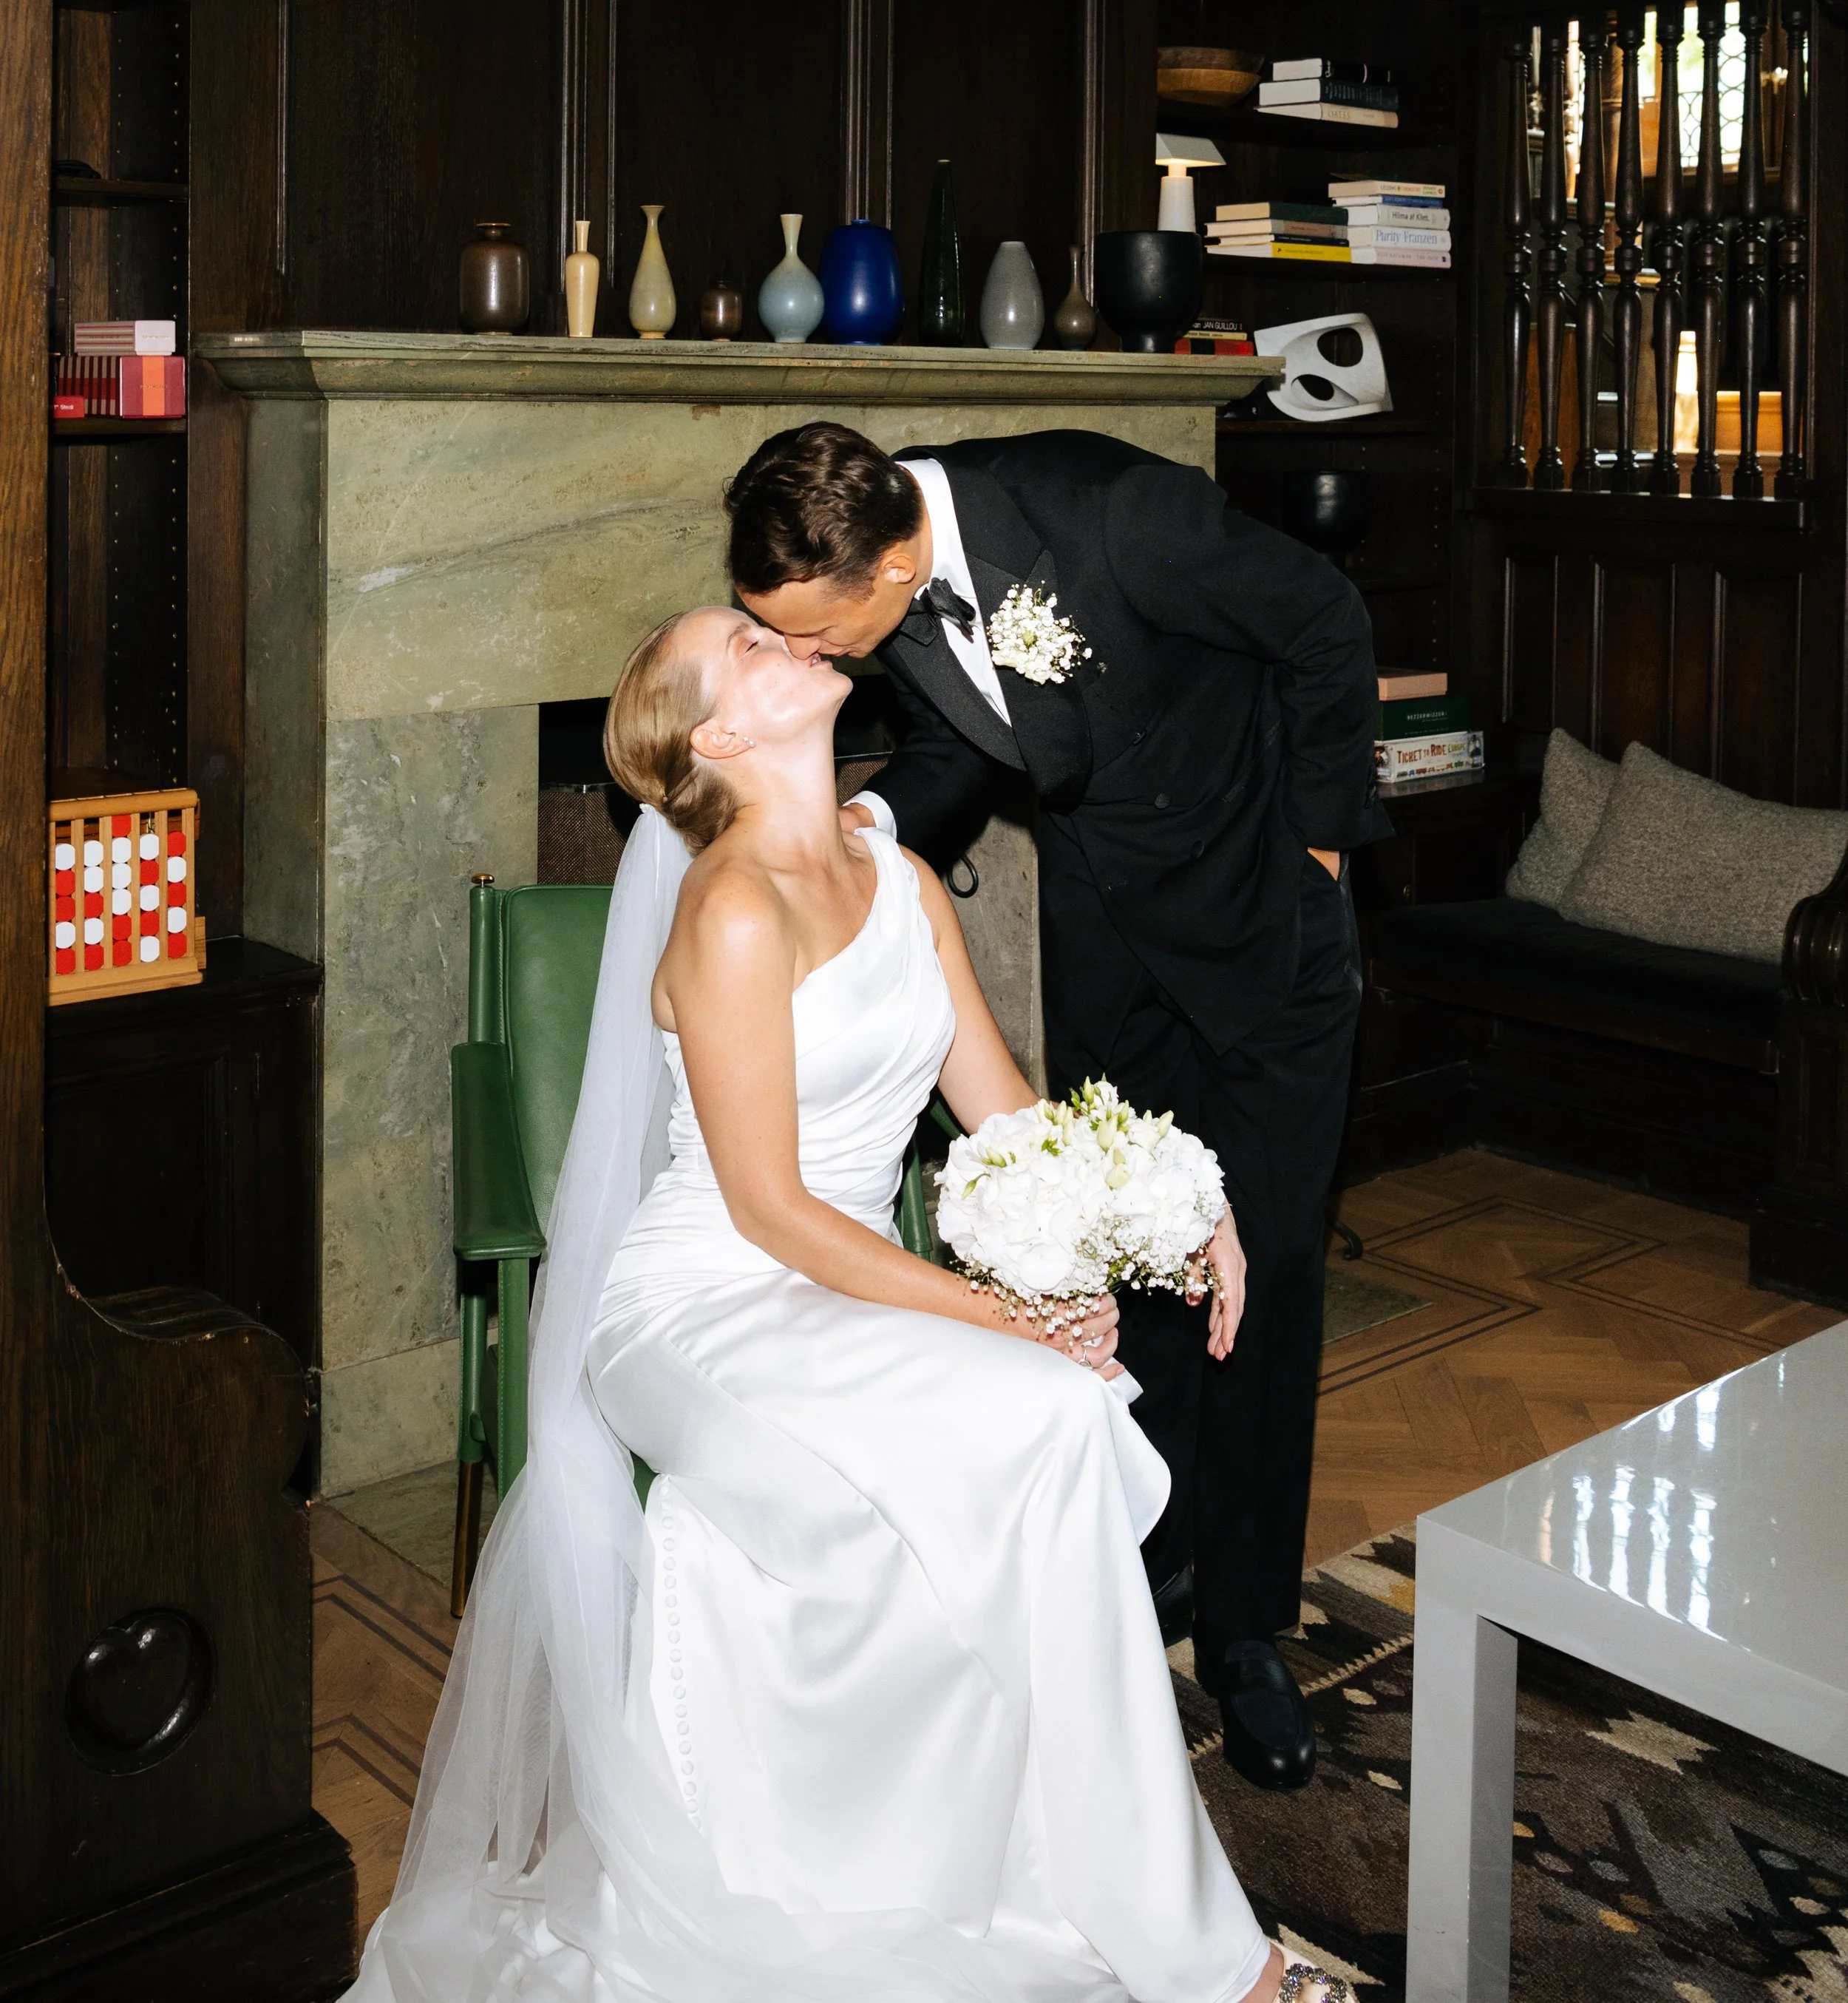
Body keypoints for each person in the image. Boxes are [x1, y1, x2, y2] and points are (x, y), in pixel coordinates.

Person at [350, 603, 1351, 2003]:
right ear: (721, 733)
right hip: (704, 1307)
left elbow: (1002, 1115)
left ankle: (1063, 1883)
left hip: (846, 1287)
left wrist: (1178, 1217)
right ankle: (1206, 1957)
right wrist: (999, 1312)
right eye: (748, 645)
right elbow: (770, 1209)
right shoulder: (733, 909)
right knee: (1045, 1411)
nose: (784, 634)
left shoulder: (907, 880)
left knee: (1060, 1420)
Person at [725, 421, 1384, 1794]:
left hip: (1263, 910)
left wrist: (1318, 844)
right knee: (1127, 1239)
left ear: (899, 563)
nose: (813, 660)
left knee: (1263, 1251)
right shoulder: (869, 560)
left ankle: (1252, 1628)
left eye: (821, 636)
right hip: (1112, 923)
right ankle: (1148, 1553)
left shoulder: (1109, 517)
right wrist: (876, 824)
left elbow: (1325, 617)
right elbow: (974, 742)